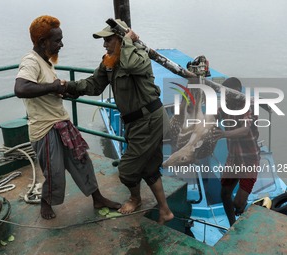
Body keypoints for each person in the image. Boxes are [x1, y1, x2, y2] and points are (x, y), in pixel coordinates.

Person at [62, 20, 174, 224]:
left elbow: (130, 64)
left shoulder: (139, 56)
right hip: (135, 122)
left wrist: (129, 41)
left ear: (122, 38)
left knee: (127, 170)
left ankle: (135, 198)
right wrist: (68, 86)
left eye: (108, 39)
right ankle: (165, 211)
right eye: (103, 40)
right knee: (149, 168)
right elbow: (95, 84)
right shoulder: (109, 61)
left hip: (150, 120)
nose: (104, 44)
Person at [14, 15, 121, 220]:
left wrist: (60, 91)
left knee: (82, 161)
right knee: (54, 172)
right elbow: (20, 88)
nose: (61, 44)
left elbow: (40, 89)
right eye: (57, 40)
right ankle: (46, 202)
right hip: (45, 128)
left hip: (61, 122)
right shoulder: (31, 61)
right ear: (43, 42)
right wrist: (54, 86)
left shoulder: (46, 61)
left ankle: (97, 197)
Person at [213, 77, 260, 226]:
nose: (225, 98)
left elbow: (245, 129)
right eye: (224, 95)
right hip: (233, 158)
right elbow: (216, 114)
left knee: (238, 204)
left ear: (237, 92)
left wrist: (223, 134)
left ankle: (241, 210)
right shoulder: (227, 104)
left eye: (228, 94)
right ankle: (232, 225)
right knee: (224, 193)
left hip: (249, 159)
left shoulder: (249, 105)